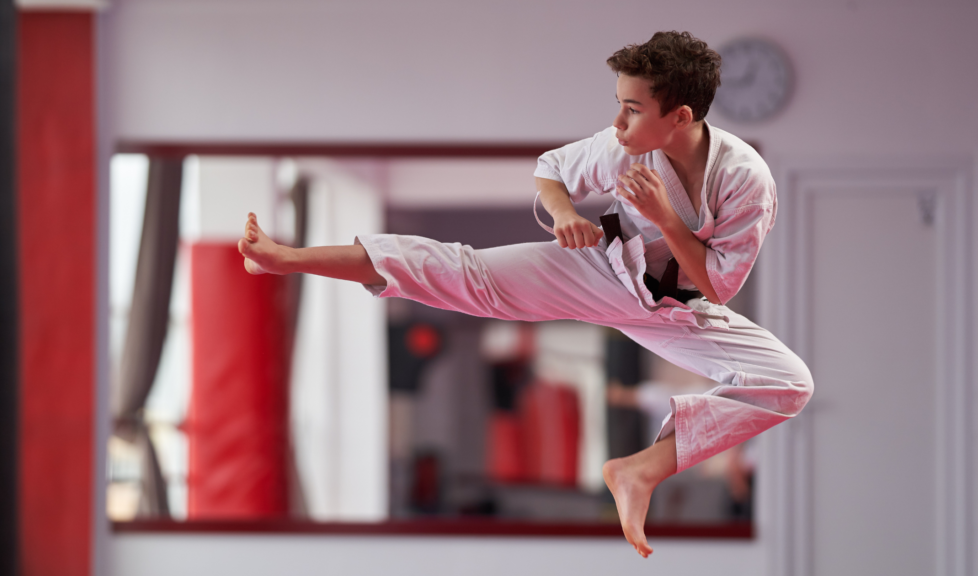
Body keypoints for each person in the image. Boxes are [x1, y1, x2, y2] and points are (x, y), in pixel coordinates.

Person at [237, 30, 813, 558]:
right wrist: (565, 215)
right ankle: (287, 259)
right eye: (618, 103)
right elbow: (551, 170)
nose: (617, 121)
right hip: (601, 270)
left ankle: (640, 471)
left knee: (790, 383)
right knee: (465, 273)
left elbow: (718, 284)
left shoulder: (745, 180)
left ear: (680, 115)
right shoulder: (626, 148)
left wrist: (666, 220)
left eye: (632, 109)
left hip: (678, 309)